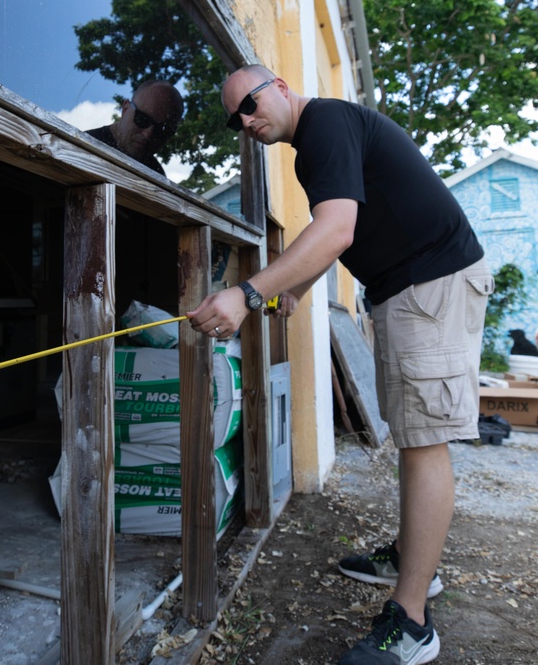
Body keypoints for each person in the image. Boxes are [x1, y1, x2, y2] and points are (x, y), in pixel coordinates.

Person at [187, 64, 492, 665]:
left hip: (430, 282)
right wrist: (298, 287)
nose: (245, 122)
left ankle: (411, 622)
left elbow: (336, 228)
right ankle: (409, 559)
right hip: (411, 287)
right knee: (413, 436)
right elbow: (343, 229)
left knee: (425, 441)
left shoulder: (324, 121)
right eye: (234, 120)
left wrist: (248, 294)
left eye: (249, 104)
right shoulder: (318, 140)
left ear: (276, 84)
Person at [86, 79, 183, 176]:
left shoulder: (155, 173)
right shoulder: (85, 146)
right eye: (142, 119)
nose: (148, 134)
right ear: (125, 108)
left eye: (162, 130)